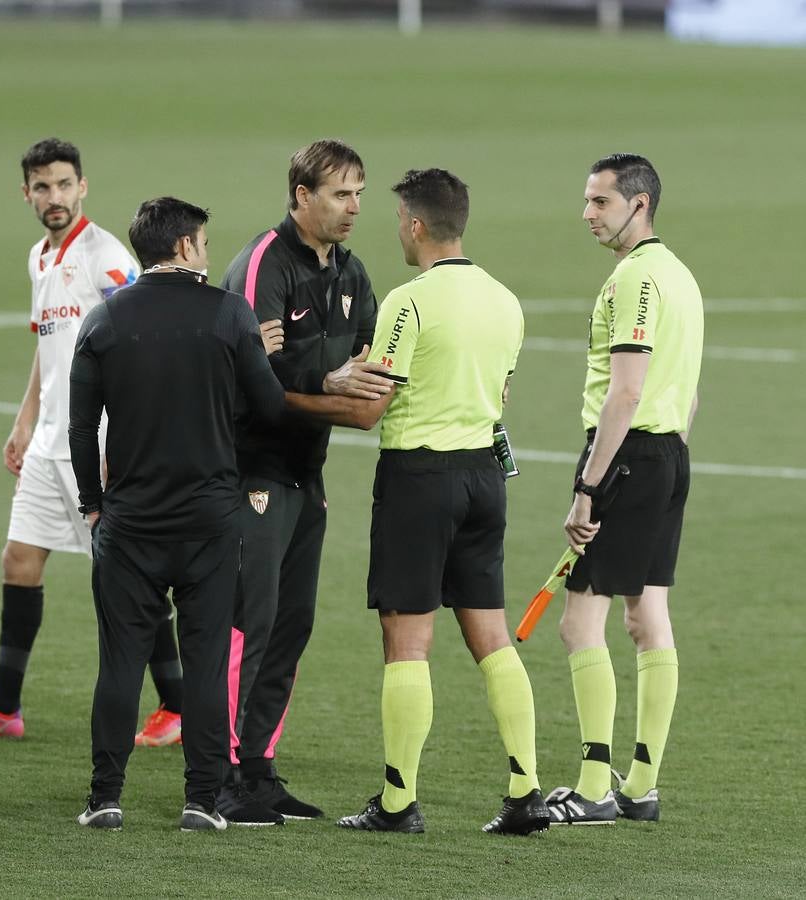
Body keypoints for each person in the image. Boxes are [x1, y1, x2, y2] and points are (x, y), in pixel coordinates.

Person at [288, 168, 550, 836]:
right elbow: (503, 398)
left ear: (413, 222)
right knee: (491, 636)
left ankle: (399, 802)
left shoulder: (408, 302)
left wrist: (289, 395)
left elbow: (372, 407)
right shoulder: (506, 301)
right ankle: (526, 792)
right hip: (483, 479)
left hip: (419, 481)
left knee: (406, 640)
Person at [0, 138, 183, 745]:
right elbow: (48, 350)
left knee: (129, 572)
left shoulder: (104, 257)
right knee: (19, 561)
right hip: (48, 443)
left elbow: (144, 331)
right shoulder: (39, 259)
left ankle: (178, 707)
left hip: (95, 442)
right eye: (41, 187)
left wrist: (122, 434)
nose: (54, 197)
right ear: (27, 193)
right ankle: (4, 707)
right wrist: (24, 421)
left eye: (64, 184)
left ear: (83, 187)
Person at [69, 196, 286, 831]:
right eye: (205, 244)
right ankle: (201, 801)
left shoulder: (105, 320)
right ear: (187, 247)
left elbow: (82, 430)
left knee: (119, 665)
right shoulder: (228, 314)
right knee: (207, 659)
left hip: (130, 525)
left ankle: (105, 798)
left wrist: (92, 505)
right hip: (210, 524)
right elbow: (270, 410)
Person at [216, 138, 390, 825]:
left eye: (359, 195)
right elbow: (257, 380)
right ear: (300, 196)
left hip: (303, 474)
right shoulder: (265, 265)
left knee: (292, 624)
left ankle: (258, 769)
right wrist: (330, 382)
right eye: (340, 194)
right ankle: (223, 774)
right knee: (244, 624)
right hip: (247, 471)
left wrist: (347, 387)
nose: (352, 208)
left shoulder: (351, 275)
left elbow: (375, 365)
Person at [543, 153, 703, 826]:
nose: (587, 213)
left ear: (639, 205)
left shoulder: (636, 281)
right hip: (669, 457)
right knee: (648, 617)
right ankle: (640, 785)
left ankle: (593, 786)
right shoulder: (681, 277)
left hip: (627, 458)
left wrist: (589, 485)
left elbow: (627, 390)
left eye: (601, 202)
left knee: (581, 621)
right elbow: (690, 393)